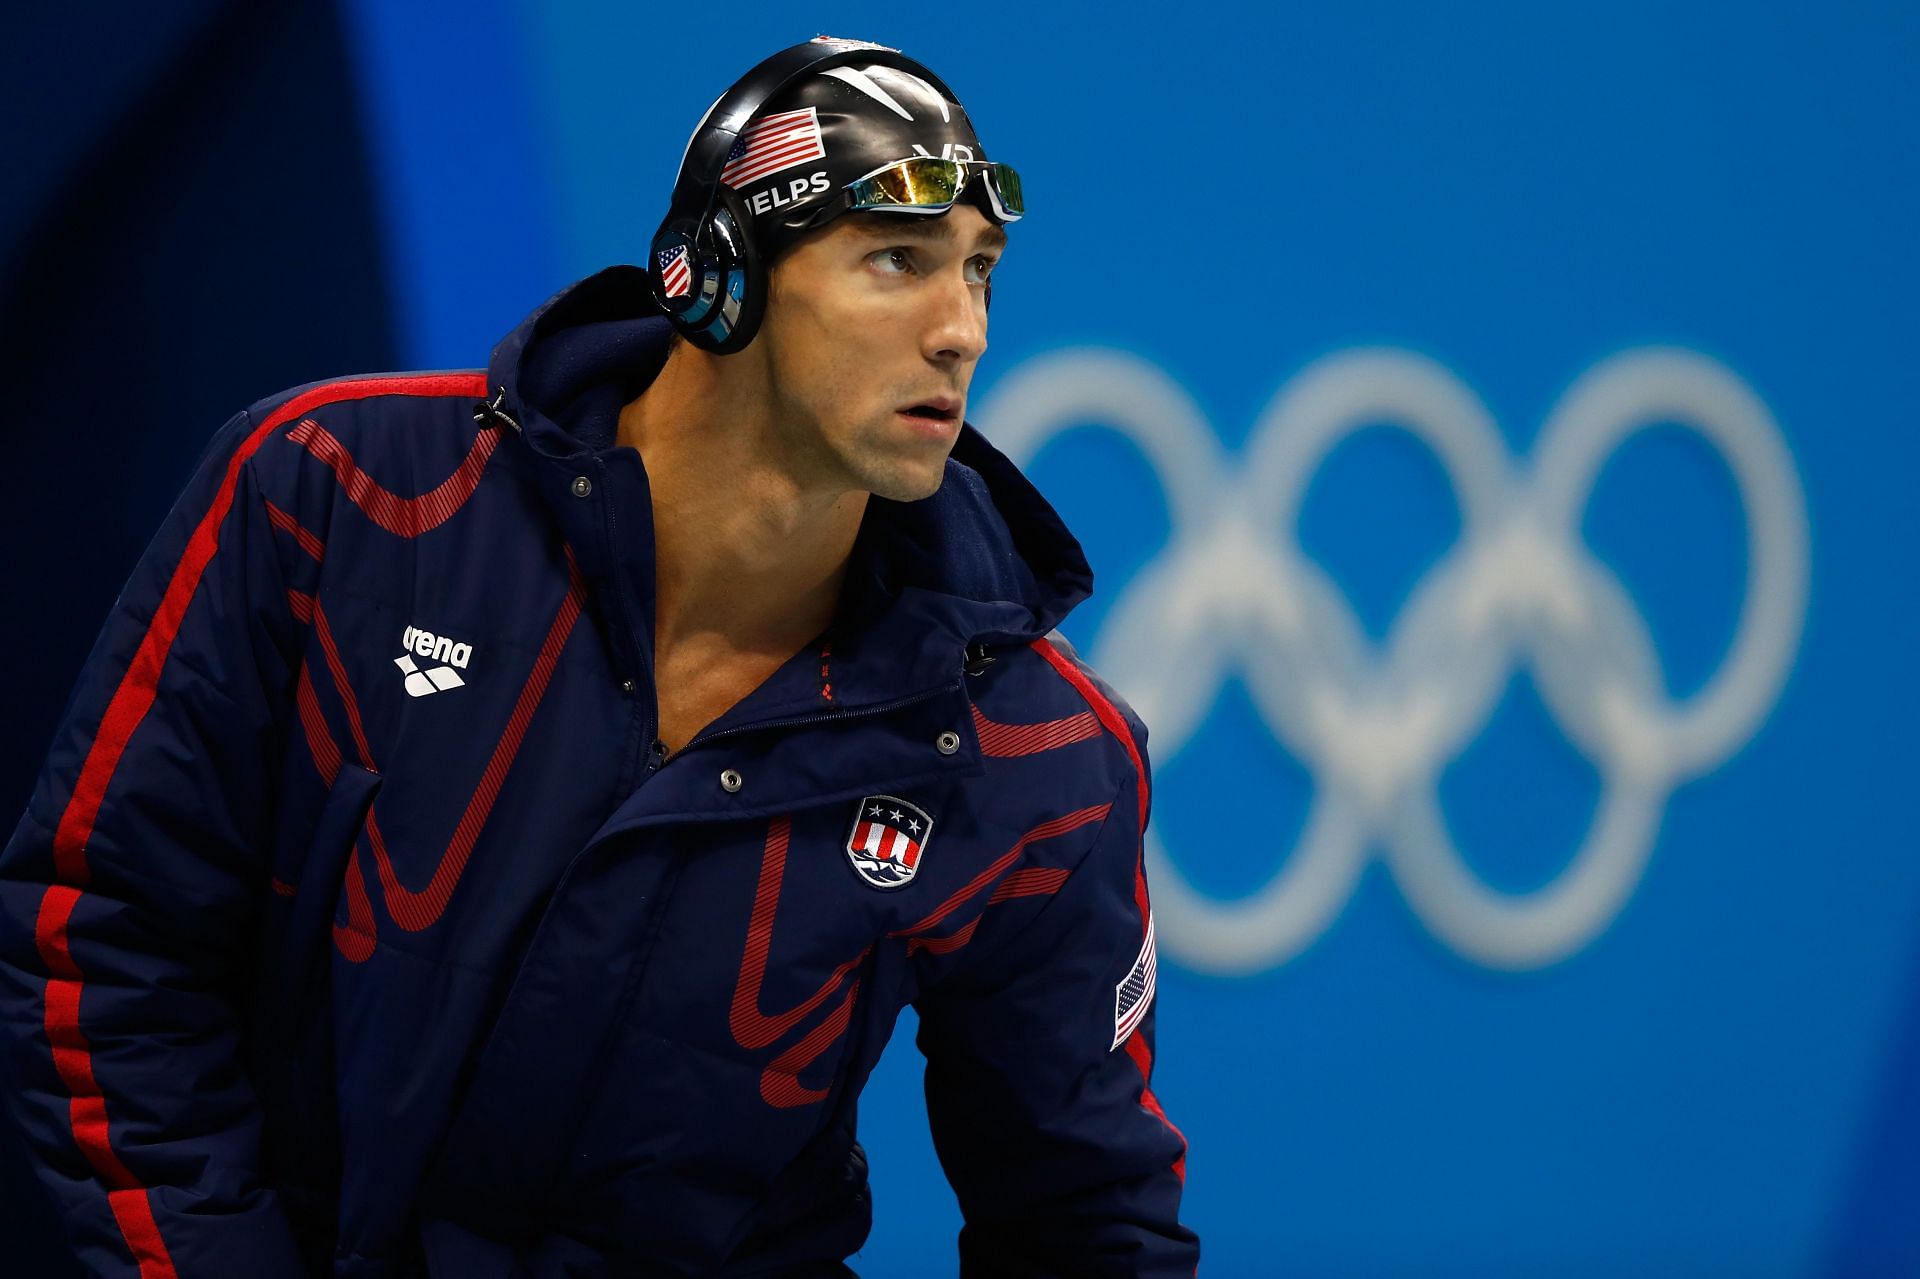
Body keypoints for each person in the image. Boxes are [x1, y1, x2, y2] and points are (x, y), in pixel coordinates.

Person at [0, 35, 1198, 1277]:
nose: (963, 332)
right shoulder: (339, 496)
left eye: (982, 273)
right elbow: (100, 935)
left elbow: (1087, 1216)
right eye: (897, 262)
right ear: (717, 277)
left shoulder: (1038, 749)